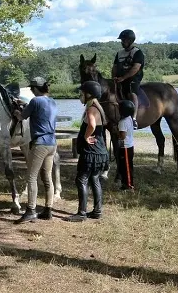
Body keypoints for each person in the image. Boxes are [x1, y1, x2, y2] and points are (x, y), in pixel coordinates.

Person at [13, 77, 57, 223]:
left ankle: (31, 210)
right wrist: (26, 104)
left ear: (36, 89)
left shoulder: (35, 101)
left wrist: (16, 111)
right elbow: (39, 111)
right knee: (47, 177)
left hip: (40, 144)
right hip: (52, 143)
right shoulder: (52, 101)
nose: (31, 91)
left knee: (31, 177)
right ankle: (48, 209)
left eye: (32, 89)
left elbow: (22, 117)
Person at [65, 81, 108, 222]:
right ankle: (97, 211)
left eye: (81, 93)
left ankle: (81, 213)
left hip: (91, 153)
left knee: (81, 180)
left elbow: (92, 124)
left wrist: (85, 136)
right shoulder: (99, 107)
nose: (80, 96)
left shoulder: (91, 109)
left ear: (88, 94)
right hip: (100, 152)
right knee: (94, 179)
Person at [112, 29, 144, 129]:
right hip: (120, 78)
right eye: (121, 40)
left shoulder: (137, 52)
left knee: (131, 91)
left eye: (124, 40)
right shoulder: (119, 53)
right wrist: (114, 77)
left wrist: (123, 78)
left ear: (130, 40)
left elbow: (135, 68)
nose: (122, 42)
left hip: (133, 78)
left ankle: (133, 118)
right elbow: (115, 67)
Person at [117, 100, 136, 191]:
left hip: (125, 147)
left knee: (127, 167)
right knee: (125, 166)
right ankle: (125, 184)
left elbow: (123, 136)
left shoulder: (122, 122)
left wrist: (117, 134)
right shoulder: (129, 118)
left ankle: (129, 185)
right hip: (130, 146)